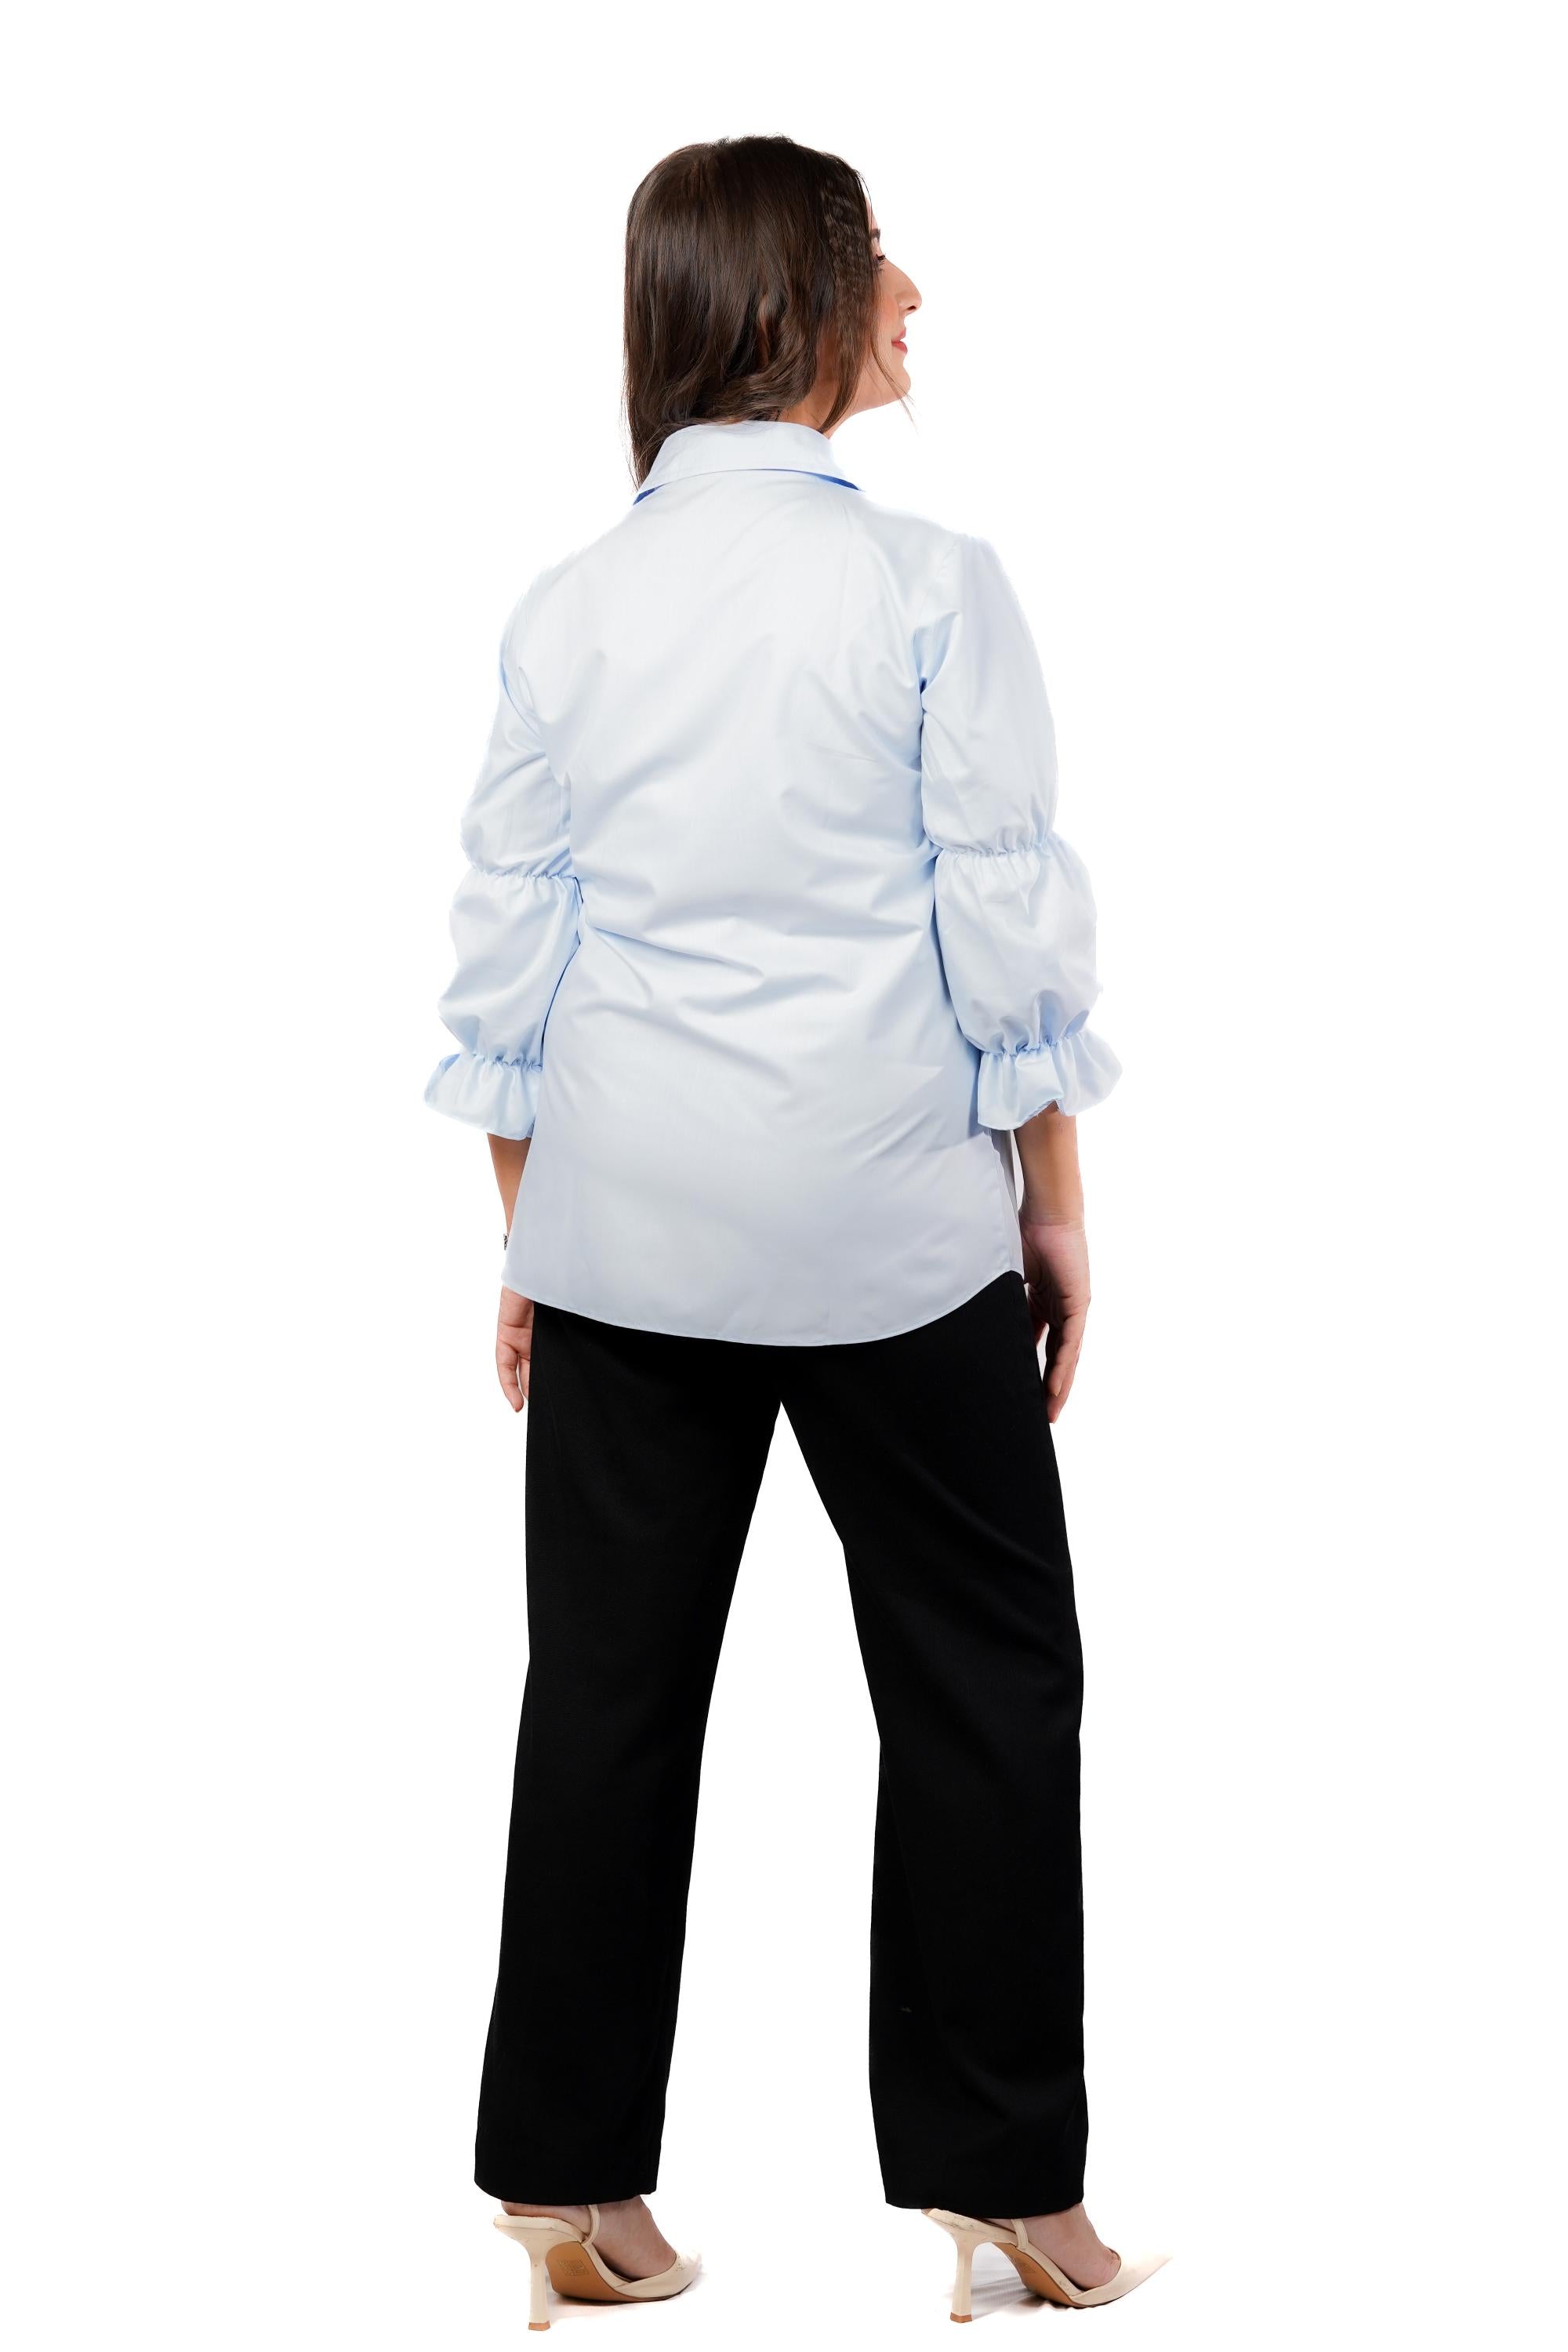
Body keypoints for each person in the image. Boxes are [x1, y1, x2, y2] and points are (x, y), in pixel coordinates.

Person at [426, 133, 1166, 2330]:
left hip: (627, 1236)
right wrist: (1054, 1207)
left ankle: (565, 2186)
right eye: (877, 258)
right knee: (983, 1683)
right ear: (795, 303)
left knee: (606, 1701)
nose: (911, 293)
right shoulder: (930, 584)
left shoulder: (568, 605)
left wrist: (532, 1241)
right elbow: (1002, 923)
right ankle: (1011, 2198)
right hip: (890, 1231)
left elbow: (509, 963)